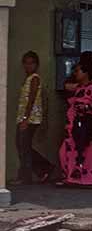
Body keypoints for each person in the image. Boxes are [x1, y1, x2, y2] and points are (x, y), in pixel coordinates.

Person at [57, 52, 92, 187]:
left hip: (89, 124)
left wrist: (86, 107)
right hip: (75, 124)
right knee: (69, 150)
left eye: (78, 71)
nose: (75, 74)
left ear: (86, 72)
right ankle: (73, 178)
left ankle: (90, 179)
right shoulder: (79, 87)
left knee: (89, 153)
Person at [15, 50, 51, 184]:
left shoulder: (35, 78)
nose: (28, 66)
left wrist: (25, 119)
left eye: (31, 63)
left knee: (23, 146)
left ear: (36, 65)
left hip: (30, 118)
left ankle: (26, 177)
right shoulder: (28, 78)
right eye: (26, 63)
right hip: (24, 117)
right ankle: (44, 168)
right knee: (23, 146)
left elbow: (31, 99)